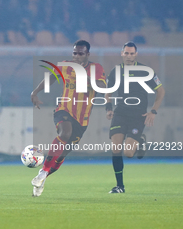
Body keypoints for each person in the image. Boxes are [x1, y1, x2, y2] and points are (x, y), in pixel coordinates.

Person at [30, 40, 106, 197]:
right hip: (63, 109)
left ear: (87, 54)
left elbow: (103, 86)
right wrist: (35, 92)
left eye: (80, 53)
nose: (76, 56)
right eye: (74, 53)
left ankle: (43, 177)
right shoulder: (65, 65)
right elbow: (52, 77)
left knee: (60, 156)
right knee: (65, 132)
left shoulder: (96, 68)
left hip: (82, 119)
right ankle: (43, 171)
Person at [105, 41, 165, 194]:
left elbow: (161, 91)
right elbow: (108, 91)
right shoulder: (116, 71)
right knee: (116, 148)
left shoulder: (146, 71)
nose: (129, 56)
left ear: (136, 54)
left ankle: (140, 141)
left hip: (138, 116)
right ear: (122, 53)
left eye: (132, 53)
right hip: (120, 114)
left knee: (129, 153)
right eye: (126, 53)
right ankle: (120, 186)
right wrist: (108, 108)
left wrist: (153, 111)